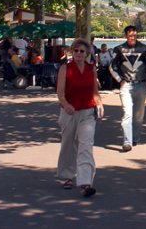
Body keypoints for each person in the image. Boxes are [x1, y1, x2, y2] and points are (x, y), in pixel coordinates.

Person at [56, 38, 103, 198]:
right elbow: (60, 93)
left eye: (82, 51)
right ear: (72, 52)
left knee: (86, 145)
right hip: (69, 112)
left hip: (87, 112)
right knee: (68, 145)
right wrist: (66, 104)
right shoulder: (65, 68)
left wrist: (99, 103)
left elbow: (95, 91)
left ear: (87, 53)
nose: (78, 54)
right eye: (76, 51)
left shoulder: (91, 69)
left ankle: (85, 182)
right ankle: (67, 176)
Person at [109, 25, 146, 152]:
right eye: (130, 36)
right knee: (127, 113)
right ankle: (127, 141)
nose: (133, 38)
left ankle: (135, 138)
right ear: (126, 36)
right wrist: (120, 80)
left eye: (135, 36)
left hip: (141, 85)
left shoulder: (145, 49)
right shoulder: (119, 49)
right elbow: (112, 66)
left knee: (138, 115)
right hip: (126, 85)